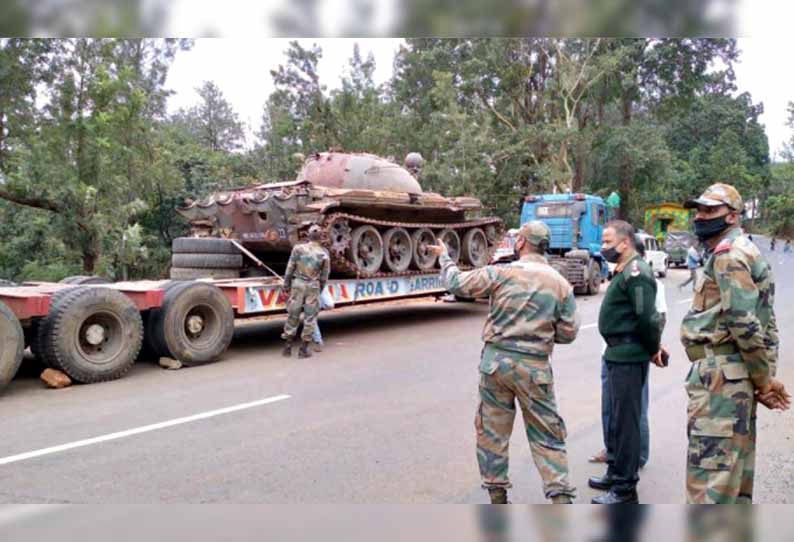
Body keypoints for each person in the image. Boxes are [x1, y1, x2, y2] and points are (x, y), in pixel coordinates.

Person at [428, 220, 580, 504]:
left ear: (521, 242)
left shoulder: (501, 273)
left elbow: (456, 284)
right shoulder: (560, 283)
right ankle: (560, 498)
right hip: (536, 368)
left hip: (495, 365)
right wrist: (538, 335)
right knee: (547, 434)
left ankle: (497, 498)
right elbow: (569, 332)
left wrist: (444, 256)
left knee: (493, 432)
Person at [681, 183, 791, 503]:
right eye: (699, 210)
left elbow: (743, 323)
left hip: (720, 382)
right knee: (734, 480)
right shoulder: (740, 251)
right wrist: (764, 378)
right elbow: (766, 322)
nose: (701, 217)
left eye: (710, 211)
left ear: (732, 217)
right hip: (733, 378)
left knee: (710, 485)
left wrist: (765, 381)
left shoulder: (729, 255)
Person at [589, 220, 667, 504]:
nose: (603, 247)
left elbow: (647, 318)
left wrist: (653, 348)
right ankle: (614, 471)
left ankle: (625, 489)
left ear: (625, 243)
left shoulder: (637, 272)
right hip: (615, 355)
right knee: (614, 421)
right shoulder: (623, 271)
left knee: (626, 424)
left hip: (628, 356)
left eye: (608, 242)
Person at [281, 224, 330, 358]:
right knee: (310, 318)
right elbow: (325, 276)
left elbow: (290, 268)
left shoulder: (298, 249)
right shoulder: (324, 253)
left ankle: (287, 347)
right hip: (313, 286)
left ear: (308, 235)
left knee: (293, 314)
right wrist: (319, 288)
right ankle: (303, 350)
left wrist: (286, 286)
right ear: (320, 237)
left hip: (298, 284)